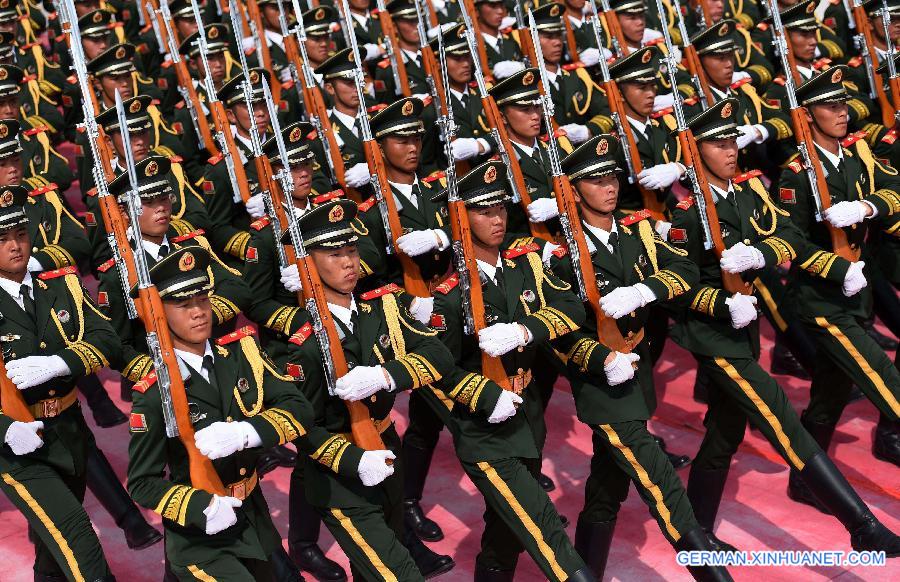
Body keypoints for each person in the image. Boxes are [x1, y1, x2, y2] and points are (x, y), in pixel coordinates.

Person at [670, 97, 900, 555]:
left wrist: (761, 254)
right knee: (780, 416)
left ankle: (695, 537)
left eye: (732, 139)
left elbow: (783, 236)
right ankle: (862, 526)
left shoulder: (750, 192)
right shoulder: (685, 217)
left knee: (723, 434)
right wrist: (720, 301)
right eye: (716, 143)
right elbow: (676, 287)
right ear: (694, 153)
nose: (731, 149)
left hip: (746, 333)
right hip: (714, 339)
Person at [429, 160, 593, 582]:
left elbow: (573, 307)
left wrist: (525, 329)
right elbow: (438, 371)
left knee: (505, 532)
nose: (498, 218)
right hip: (485, 433)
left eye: (500, 208)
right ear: (460, 219)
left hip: (529, 418)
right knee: (543, 527)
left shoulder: (527, 265)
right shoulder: (449, 298)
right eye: (484, 211)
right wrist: (486, 396)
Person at [284, 199, 456, 580]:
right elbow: (300, 425)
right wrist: (353, 461)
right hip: (338, 477)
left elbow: (438, 354)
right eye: (333, 254)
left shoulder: (384, 309)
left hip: (387, 450)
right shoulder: (298, 342)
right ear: (308, 264)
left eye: (351, 251)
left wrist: (387, 375)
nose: (348, 262)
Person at [126, 246, 313, 580]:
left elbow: (299, 409)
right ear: (159, 315)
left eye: (202, 300)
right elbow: (142, 483)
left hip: (253, 516)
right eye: (184, 305)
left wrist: (247, 432)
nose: (199, 312)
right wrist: (201, 507)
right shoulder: (156, 393)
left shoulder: (244, 354)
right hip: (200, 537)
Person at [774, 67, 900, 495]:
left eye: (843, 103)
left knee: (829, 395)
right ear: (807, 116)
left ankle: (805, 485)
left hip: (855, 297)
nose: (842, 113)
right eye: (830, 106)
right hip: (820, 302)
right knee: (887, 383)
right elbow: (787, 238)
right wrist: (836, 268)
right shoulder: (796, 171)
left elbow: (895, 189)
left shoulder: (856, 154)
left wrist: (866, 207)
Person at [0, 184, 120, 581]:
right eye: (2, 239)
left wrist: (59, 362)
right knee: (78, 538)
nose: (15, 246)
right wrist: (6, 430)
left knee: (52, 553)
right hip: (19, 446)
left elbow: (106, 340)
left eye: (20, 235)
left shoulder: (62, 286)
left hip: (70, 432)